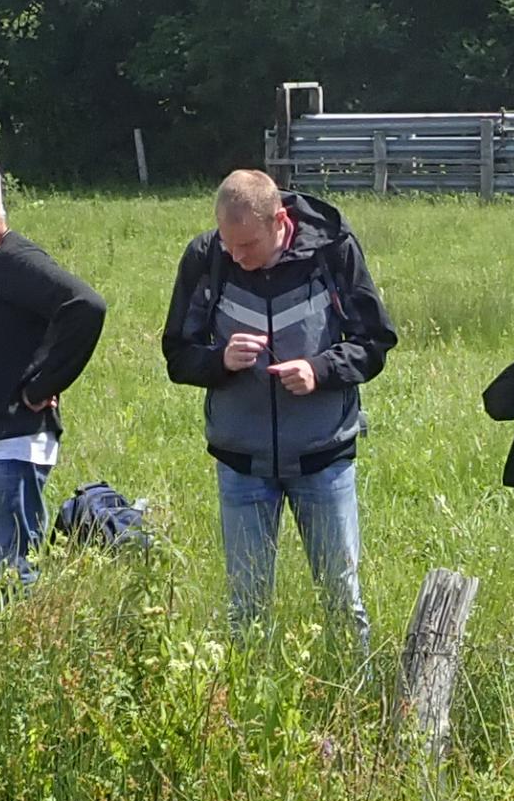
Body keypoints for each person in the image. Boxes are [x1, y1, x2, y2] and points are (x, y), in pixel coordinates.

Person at [161, 171, 395, 650]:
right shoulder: (207, 259)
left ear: (280, 221)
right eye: (228, 244)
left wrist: (321, 370)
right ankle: (245, 707)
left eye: (247, 245)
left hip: (323, 458)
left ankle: (359, 703)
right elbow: (177, 355)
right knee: (246, 607)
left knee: (342, 601)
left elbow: (375, 342)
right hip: (241, 464)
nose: (237, 257)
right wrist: (219, 361)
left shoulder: (333, 251)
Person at [0, 151, 105, 597]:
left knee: (3, 583)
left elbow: (84, 307)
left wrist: (44, 384)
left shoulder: (14, 261)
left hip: (9, 444)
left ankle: (29, 661)